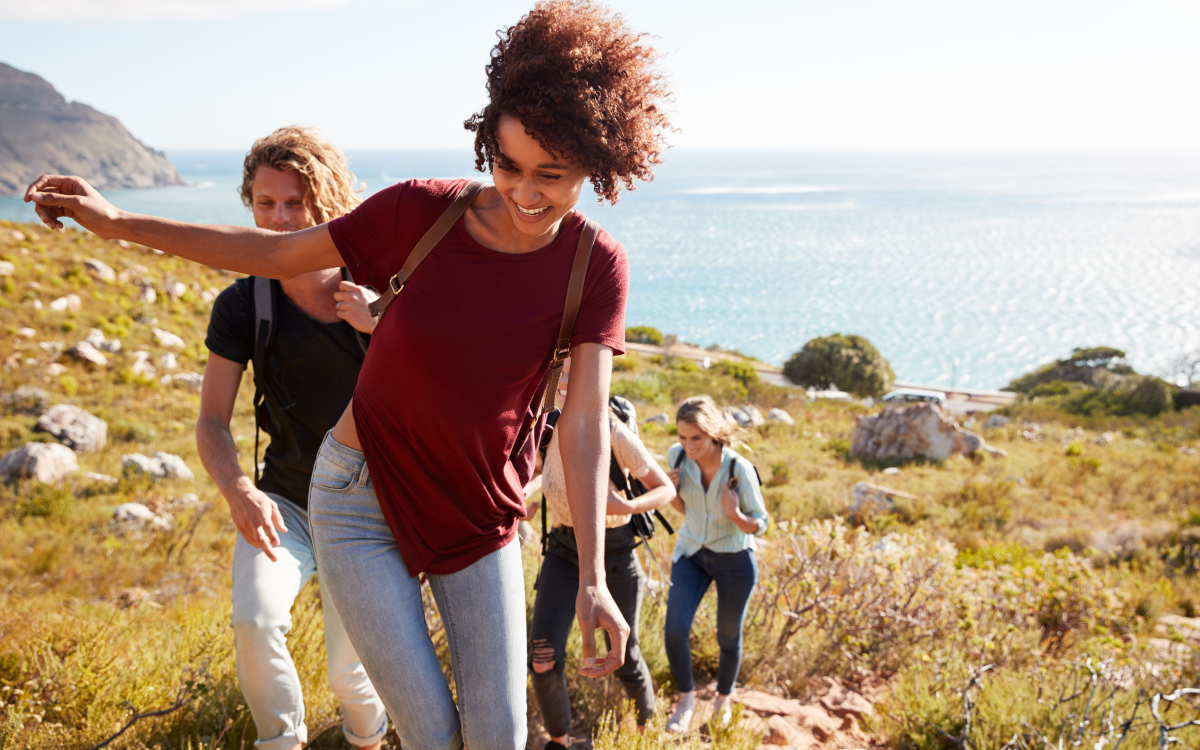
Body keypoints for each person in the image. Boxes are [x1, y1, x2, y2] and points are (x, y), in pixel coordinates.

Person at [24, 2, 672, 747]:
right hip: (356, 497)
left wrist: (593, 574)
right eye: (507, 164)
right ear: (486, 142)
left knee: (499, 735)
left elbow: (587, 421)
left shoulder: (596, 266)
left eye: (551, 176)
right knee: (428, 731)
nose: (525, 193)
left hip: (477, 511)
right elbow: (273, 253)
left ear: (598, 161)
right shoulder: (419, 214)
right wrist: (117, 223)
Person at [196, 127, 387, 750]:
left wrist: (385, 324)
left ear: (327, 201)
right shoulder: (242, 305)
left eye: (294, 204)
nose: (278, 220)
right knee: (254, 619)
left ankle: (371, 741)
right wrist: (237, 490)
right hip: (285, 505)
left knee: (351, 678)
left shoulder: (383, 288)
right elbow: (210, 421)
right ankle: (282, 743)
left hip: (370, 514)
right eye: (264, 203)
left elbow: (453, 383)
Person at [529, 358, 676, 747]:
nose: (563, 377)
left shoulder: (610, 428)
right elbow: (540, 477)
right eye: (558, 368)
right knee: (542, 659)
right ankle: (559, 741)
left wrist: (626, 507)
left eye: (573, 367)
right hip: (561, 551)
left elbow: (665, 489)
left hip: (615, 554)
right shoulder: (544, 425)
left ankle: (645, 737)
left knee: (624, 657)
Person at [663, 396, 769, 733]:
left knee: (728, 636)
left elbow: (761, 522)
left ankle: (723, 701)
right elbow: (685, 510)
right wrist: (672, 490)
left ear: (712, 434)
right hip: (692, 552)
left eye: (696, 438)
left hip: (734, 558)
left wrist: (735, 514)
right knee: (675, 628)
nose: (688, 445)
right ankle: (686, 701)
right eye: (682, 437)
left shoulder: (739, 469)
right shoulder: (676, 457)